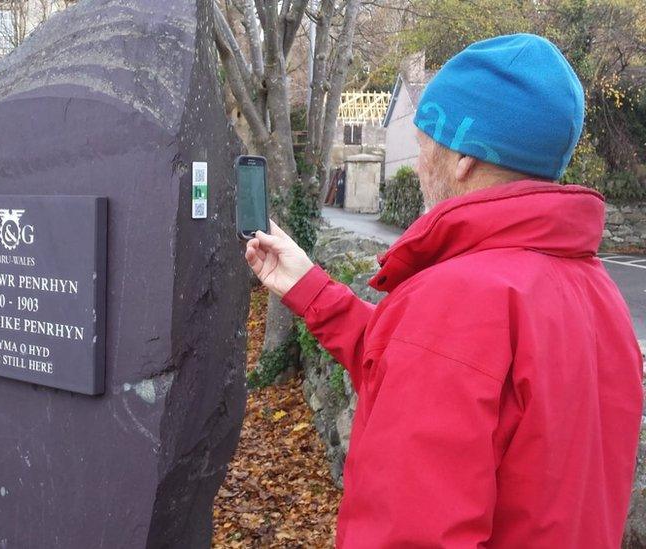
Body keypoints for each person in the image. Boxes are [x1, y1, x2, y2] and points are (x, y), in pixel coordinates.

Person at [245, 33, 643, 547]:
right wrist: (311, 289)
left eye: (424, 140)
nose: (417, 162)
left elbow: (409, 530)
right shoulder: (599, 296)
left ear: (463, 159)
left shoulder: (457, 300)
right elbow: (427, 369)